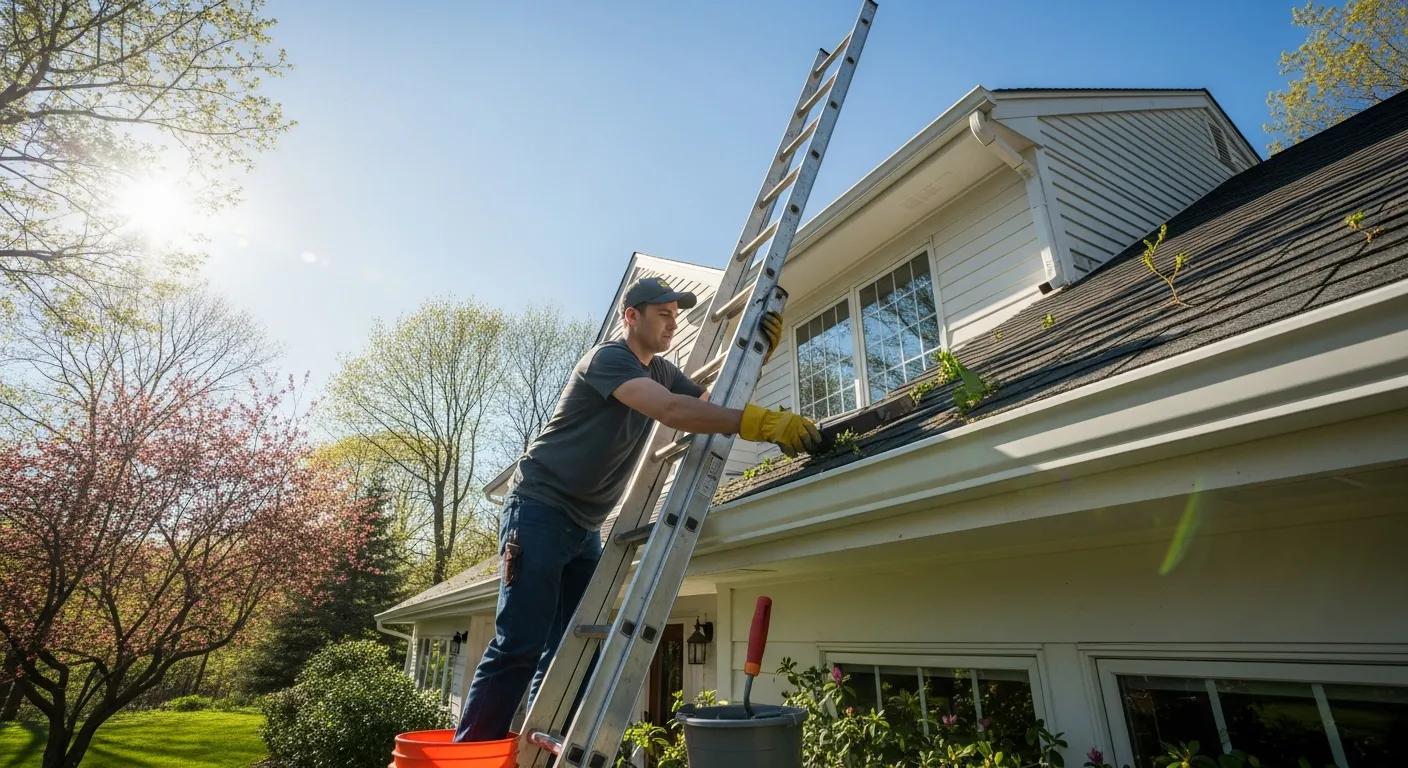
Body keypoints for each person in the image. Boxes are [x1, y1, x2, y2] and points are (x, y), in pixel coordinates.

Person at [454, 276, 822, 742]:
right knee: (519, 644)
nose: (673, 324)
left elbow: (710, 406)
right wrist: (761, 424)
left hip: (585, 525)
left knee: (572, 652)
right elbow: (672, 411)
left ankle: (547, 749)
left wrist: (756, 358)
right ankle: (471, 754)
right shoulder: (608, 359)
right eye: (663, 314)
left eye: (676, 316)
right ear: (632, 316)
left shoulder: (662, 371)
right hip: (539, 508)